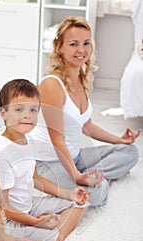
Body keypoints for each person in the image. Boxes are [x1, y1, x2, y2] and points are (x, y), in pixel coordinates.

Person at [29, 16, 141, 207]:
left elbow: (86, 125)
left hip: (74, 156)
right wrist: (76, 176)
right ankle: (100, 179)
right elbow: (57, 140)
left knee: (130, 152)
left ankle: (97, 177)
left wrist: (119, 140)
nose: (81, 50)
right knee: (95, 194)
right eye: (73, 44)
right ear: (60, 47)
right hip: (47, 163)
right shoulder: (51, 85)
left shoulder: (81, 79)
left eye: (86, 43)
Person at [0, 79, 90, 241]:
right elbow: (2, 207)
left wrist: (69, 194)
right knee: (51, 238)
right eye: (19, 109)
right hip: (7, 221)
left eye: (33, 110)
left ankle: (48, 236)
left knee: (80, 203)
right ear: (3, 113)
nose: (27, 115)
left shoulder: (28, 142)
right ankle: (51, 240)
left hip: (27, 206)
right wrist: (35, 222)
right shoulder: (1, 154)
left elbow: (36, 179)